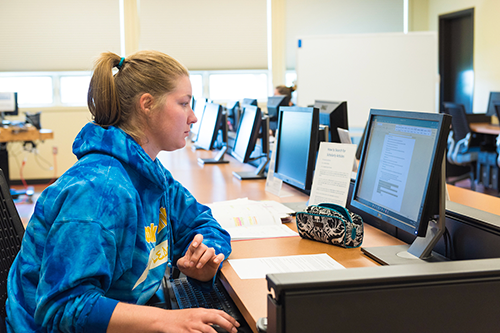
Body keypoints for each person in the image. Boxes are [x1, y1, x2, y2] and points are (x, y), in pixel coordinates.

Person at [5, 50, 239, 333]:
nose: (193, 117)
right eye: (184, 103)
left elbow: (200, 220)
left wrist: (207, 255)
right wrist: (167, 320)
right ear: (147, 105)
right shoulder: (98, 191)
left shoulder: (149, 172)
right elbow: (63, 308)